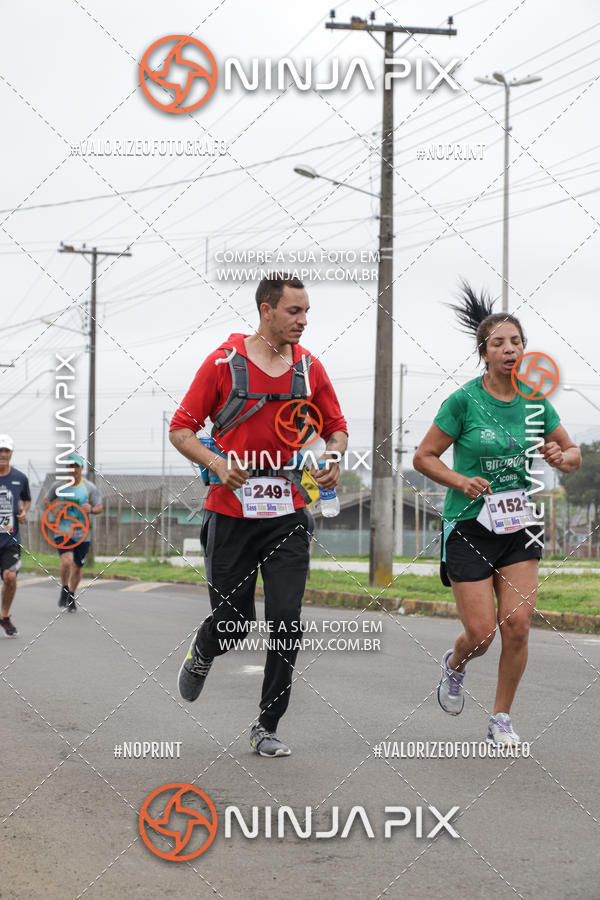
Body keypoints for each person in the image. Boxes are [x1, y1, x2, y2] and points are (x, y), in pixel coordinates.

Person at [170, 273, 348, 757]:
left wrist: (332, 458)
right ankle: (204, 649)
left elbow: (337, 428)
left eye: (307, 311)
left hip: (288, 512)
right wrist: (216, 463)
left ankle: (266, 725)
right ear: (267, 310)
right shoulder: (224, 363)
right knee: (233, 621)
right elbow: (181, 429)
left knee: (286, 620)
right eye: (294, 311)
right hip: (229, 513)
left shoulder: (309, 369)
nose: (303, 321)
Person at [413, 284, 581, 745]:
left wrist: (557, 455)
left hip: (518, 524)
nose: (510, 350)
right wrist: (460, 481)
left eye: (516, 342)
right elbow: (424, 457)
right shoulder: (463, 402)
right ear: (484, 353)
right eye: (499, 343)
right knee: (482, 634)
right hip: (468, 525)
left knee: (519, 626)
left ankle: (501, 718)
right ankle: (455, 664)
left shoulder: (534, 401)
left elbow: (572, 453)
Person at [44, 454, 103, 612]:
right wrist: (54, 509)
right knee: (67, 561)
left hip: (82, 533)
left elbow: (99, 507)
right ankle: (64, 588)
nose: (73, 469)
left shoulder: (89, 487)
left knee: (77, 567)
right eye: (70, 466)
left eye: (76, 466)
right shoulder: (58, 485)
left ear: (81, 468)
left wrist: (90, 509)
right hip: (62, 530)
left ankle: (71, 594)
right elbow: (46, 499)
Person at [0, 434, 31, 636]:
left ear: (11, 454)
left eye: (6, 451)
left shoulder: (20, 478)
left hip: (10, 540)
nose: (2, 454)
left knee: (10, 577)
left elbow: (26, 499)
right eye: (0, 450)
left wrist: (24, 511)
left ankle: (4, 616)